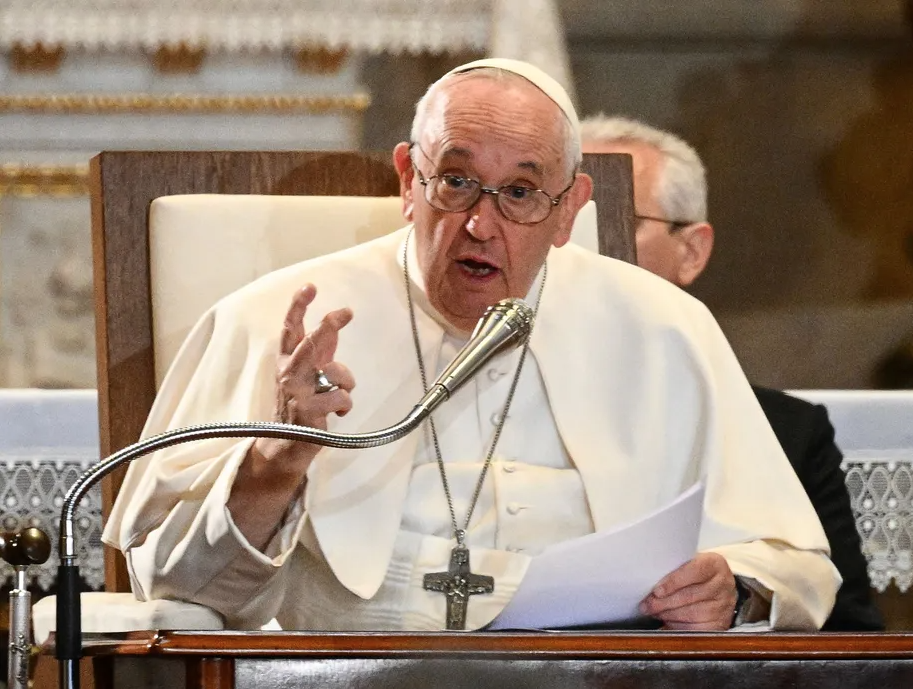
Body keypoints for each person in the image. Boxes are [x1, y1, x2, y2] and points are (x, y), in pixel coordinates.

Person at [103, 59, 839, 633]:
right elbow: (175, 589)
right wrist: (273, 460)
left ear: (568, 210)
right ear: (407, 180)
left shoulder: (661, 328)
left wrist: (732, 589)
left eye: (519, 192)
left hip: (601, 681)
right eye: (456, 182)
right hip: (344, 680)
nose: (481, 225)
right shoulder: (272, 323)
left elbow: (793, 565)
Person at [581, 115, 884, 631]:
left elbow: (851, 634)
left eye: (612, 218)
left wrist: (742, 598)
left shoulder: (787, 431)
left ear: (692, 251)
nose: (575, 249)